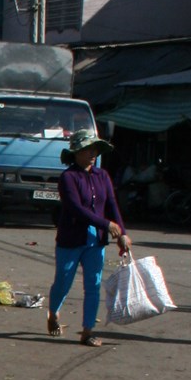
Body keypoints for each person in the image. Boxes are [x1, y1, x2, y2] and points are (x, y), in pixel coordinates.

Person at [49, 127, 130, 347]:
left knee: (93, 285)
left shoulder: (102, 175)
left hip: (96, 240)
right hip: (71, 237)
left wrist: (122, 233)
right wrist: (106, 224)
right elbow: (76, 209)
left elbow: (111, 205)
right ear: (76, 152)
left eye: (95, 149)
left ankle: (87, 331)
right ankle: (53, 312)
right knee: (63, 283)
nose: (92, 153)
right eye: (87, 149)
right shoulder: (68, 178)